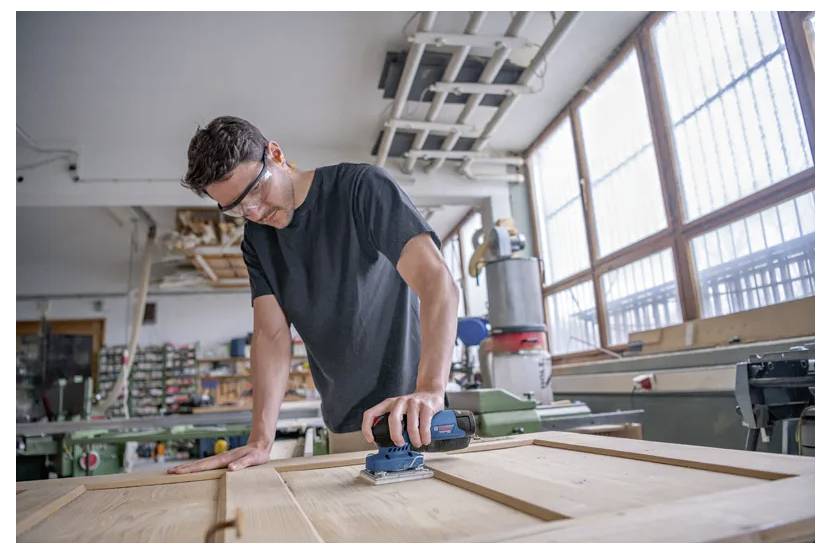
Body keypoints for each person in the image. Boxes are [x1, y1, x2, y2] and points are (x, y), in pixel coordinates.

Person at [169, 116, 459, 473]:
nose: (254, 212)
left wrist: (430, 389)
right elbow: (271, 336)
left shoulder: (361, 188)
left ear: (275, 154)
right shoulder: (258, 240)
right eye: (237, 209)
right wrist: (261, 439)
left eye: (256, 191)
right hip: (344, 427)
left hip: (413, 417)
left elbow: (436, 282)